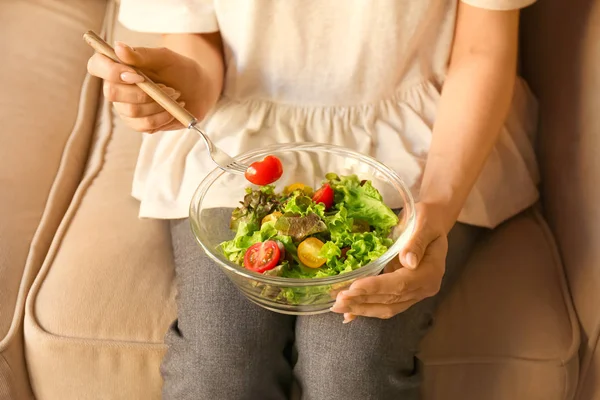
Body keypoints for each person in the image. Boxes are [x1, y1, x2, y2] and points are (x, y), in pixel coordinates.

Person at [87, 0, 540, 398]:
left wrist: (437, 208)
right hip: (244, 136)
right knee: (219, 374)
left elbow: (482, 51)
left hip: (420, 143)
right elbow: (198, 47)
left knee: (350, 376)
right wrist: (177, 86)